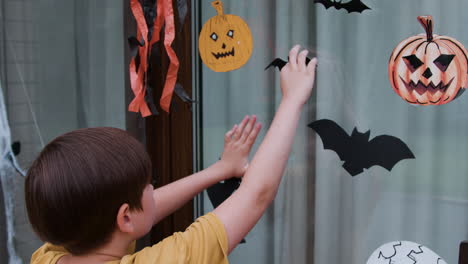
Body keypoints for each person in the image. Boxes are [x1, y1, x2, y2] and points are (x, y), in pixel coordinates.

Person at [26, 45, 317, 264]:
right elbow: (256, 195)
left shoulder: (48, 256)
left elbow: (134, 210)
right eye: (147, 186)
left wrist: (220, 170)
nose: (154, 189)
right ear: (124, 217)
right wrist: (293, 99)